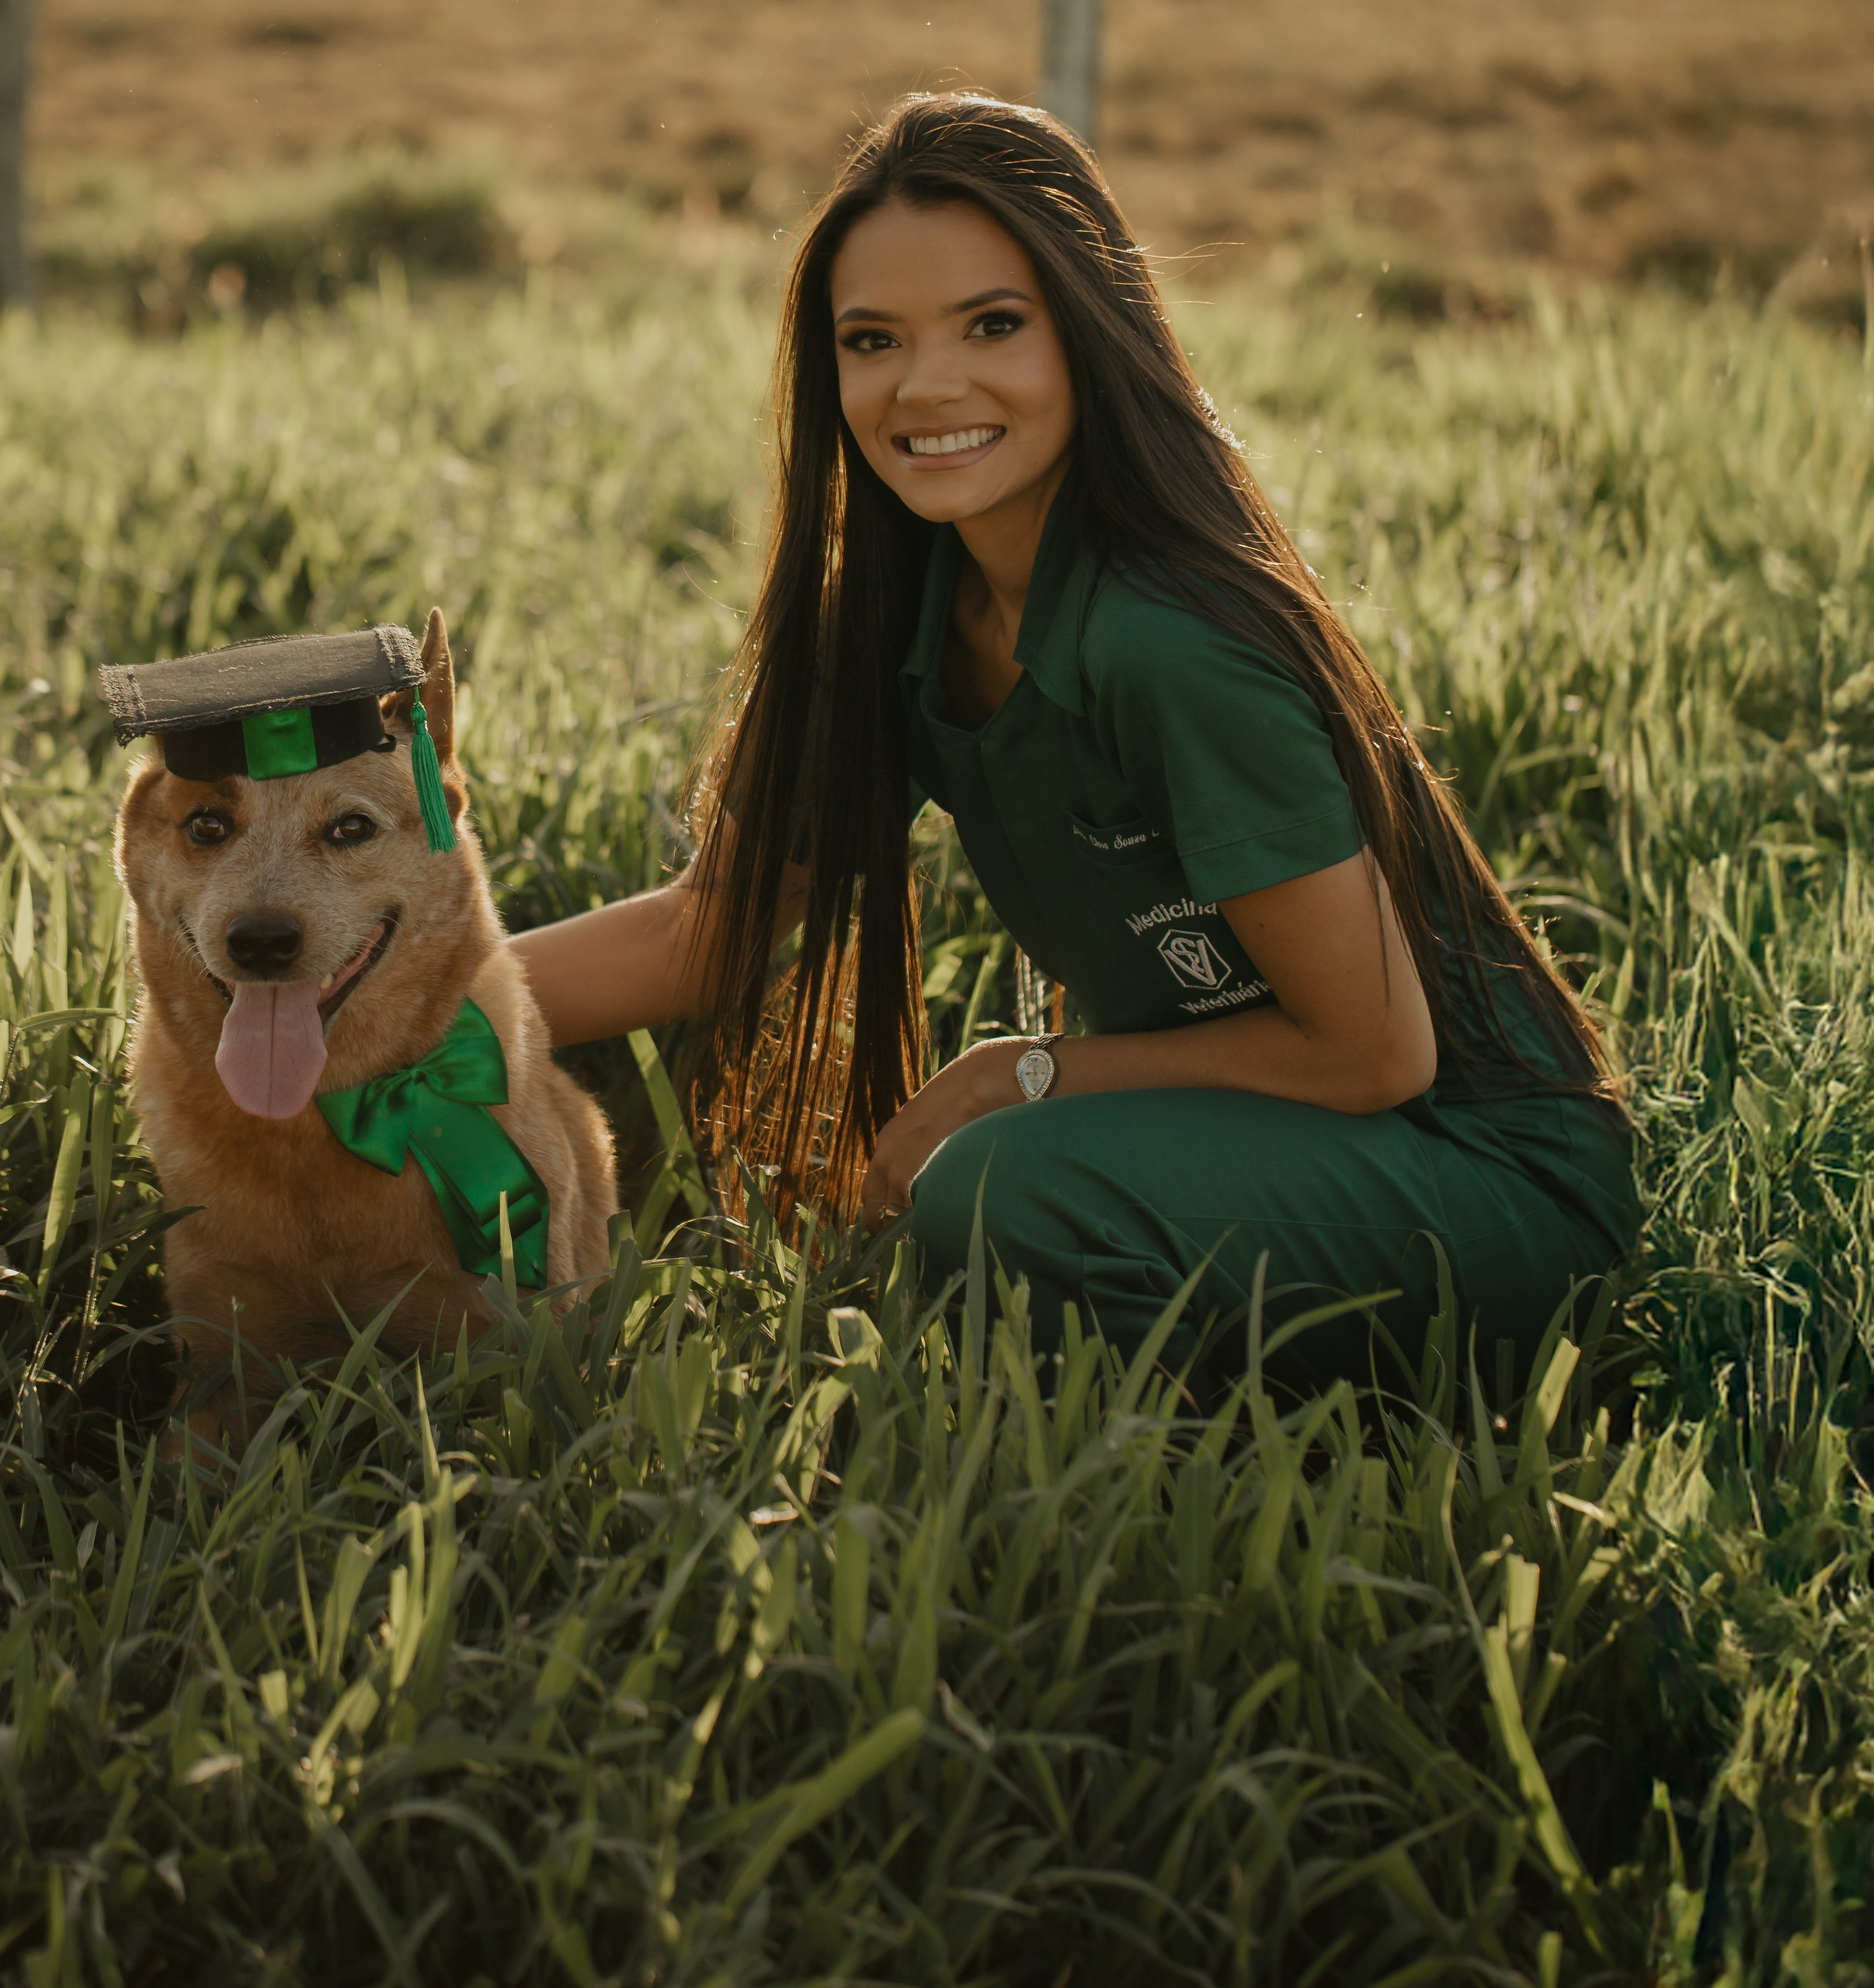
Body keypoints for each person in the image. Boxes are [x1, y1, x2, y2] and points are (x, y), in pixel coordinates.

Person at [512, 92, 1637, 1393]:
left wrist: (1026, 1071)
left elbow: (1374, 1053)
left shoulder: (1172, 643)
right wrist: (393, 1008)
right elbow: (714, 922)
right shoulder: (893, 615)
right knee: (629, 1064)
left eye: (994, 325)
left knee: (997, 1195)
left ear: (1089, 337)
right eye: (872, 340)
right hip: (1251, 1134)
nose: (927, 387)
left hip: (1476, 1172)